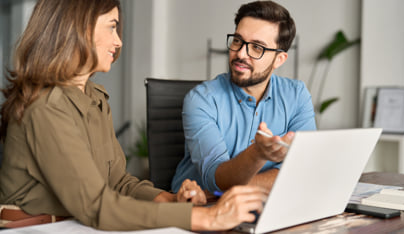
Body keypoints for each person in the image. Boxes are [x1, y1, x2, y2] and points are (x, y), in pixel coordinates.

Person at [0, 0, 267, 231]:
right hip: (37, 227)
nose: (119, 41)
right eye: (112, 26)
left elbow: (118, 182)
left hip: (76, 224)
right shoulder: (47, 106)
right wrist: (206, 217)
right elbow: (96, 206)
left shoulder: (94, 98)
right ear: (80, 27)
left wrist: (169, 200)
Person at [172, 1, 316, 194]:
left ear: (279, 60)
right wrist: (258, 154)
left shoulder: (296, 95)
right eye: (238, 40)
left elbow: (303, 169)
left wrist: (244, 186)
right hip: (203, 208)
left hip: (265, 205)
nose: (240, 53)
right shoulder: (201, 100)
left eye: (257, 47)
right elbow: (215, 178)